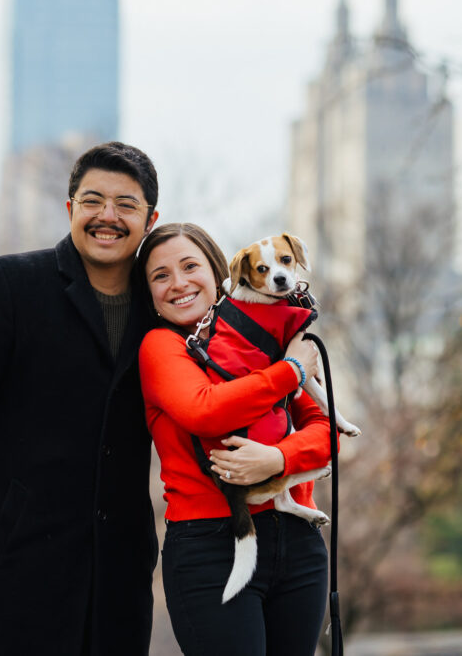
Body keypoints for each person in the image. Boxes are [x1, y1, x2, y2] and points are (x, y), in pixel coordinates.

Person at [0, 142, 161, 655]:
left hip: (116, 575)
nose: (108, 217)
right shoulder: (10, 285)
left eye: (126, 205)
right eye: (93, 200)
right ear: (70, 208)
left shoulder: (161, 311)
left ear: (150, 218)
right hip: (7, 563)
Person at [136, 222, 332, 656]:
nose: (179, 283)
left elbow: (325, 429)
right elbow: (206, 410)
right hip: (212, 545)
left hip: (298, 540)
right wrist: (291, 370)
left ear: (220, 272)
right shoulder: (160, 347)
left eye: (191, 266)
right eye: (160, 275)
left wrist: (278, 459)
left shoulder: (263, 333)